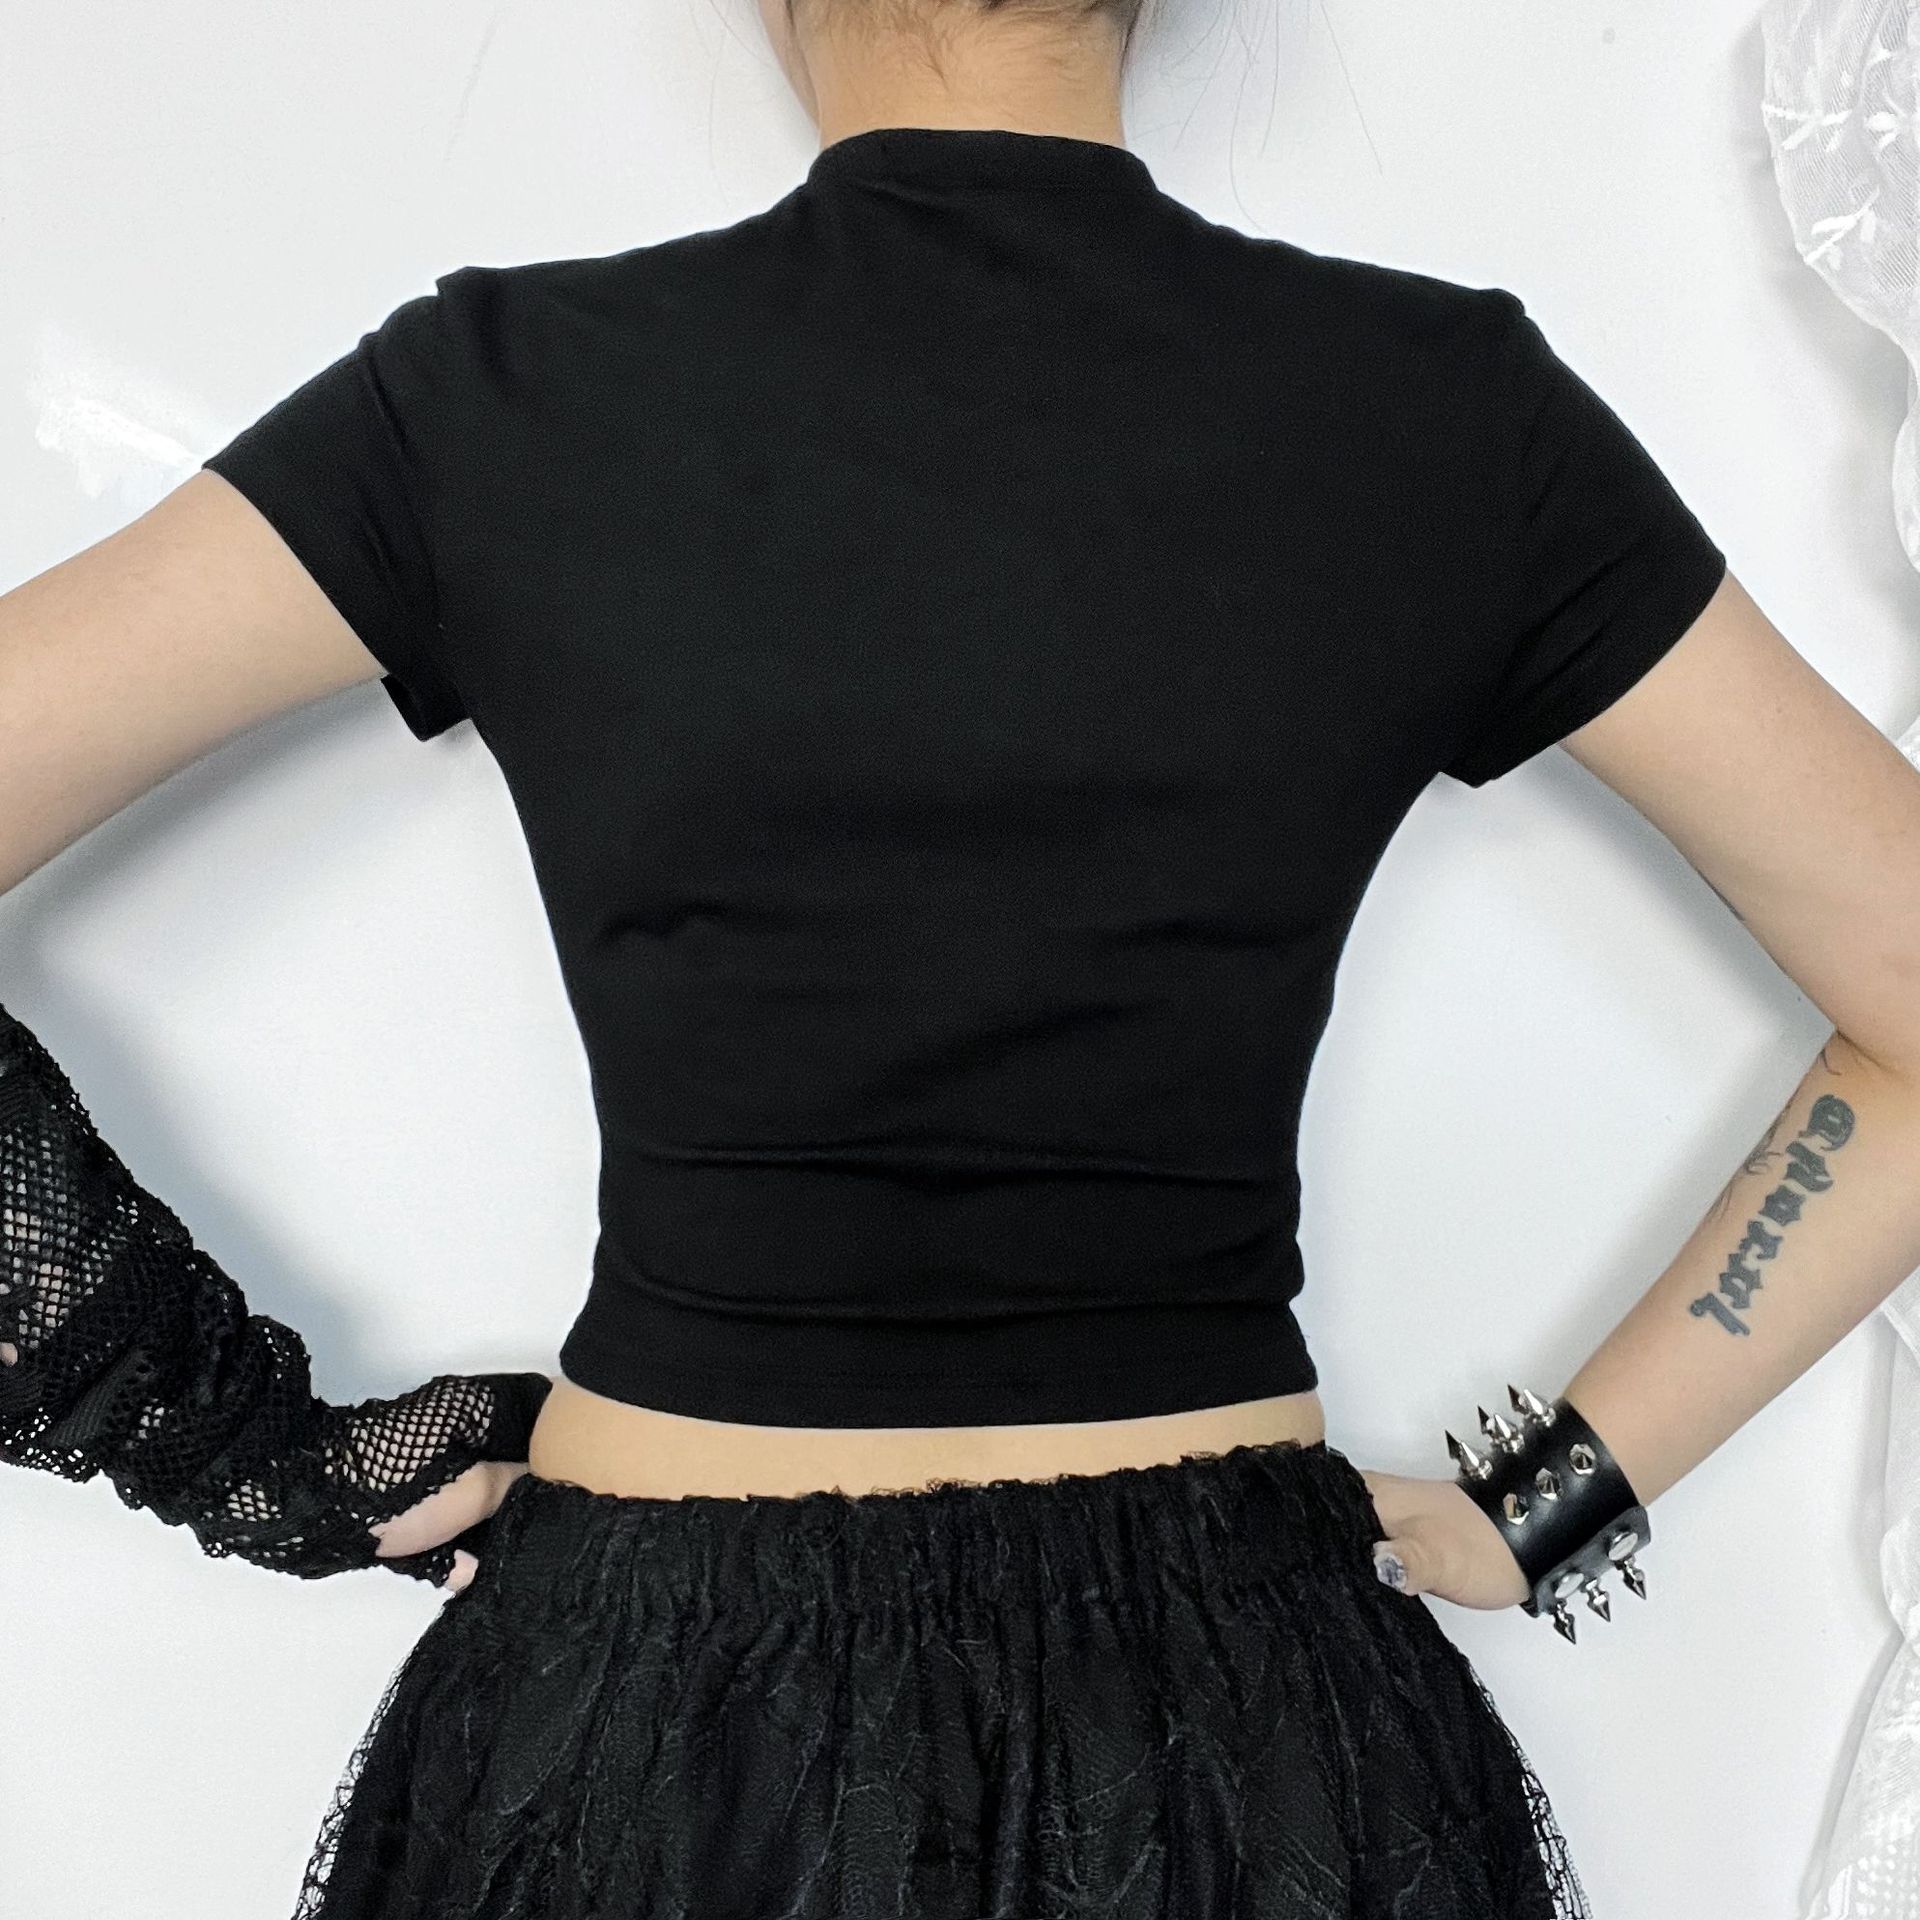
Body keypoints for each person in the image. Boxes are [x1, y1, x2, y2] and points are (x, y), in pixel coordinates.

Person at [6, 0, 1919, 1914]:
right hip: (1247, 1745)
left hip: (649, 1749)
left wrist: (247, 1446)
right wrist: (1554, 1503)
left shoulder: (498, 395)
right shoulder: (1446, 411)